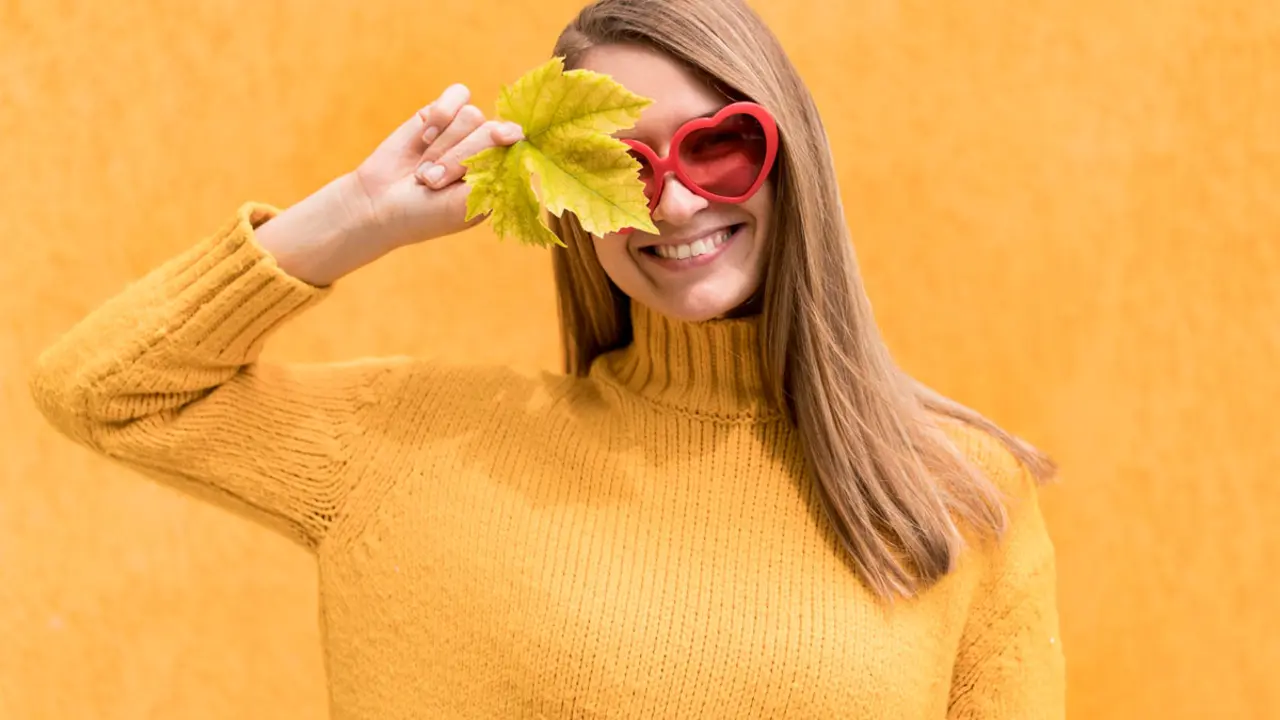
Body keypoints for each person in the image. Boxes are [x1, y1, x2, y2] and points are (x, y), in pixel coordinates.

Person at [29, 0, 1066, 717]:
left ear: (790, 156)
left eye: (720, 144)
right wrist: (359, 215)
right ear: (570, 200)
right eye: (617, 162)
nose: (675, 200)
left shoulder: (959, 491)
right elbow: (107, 388)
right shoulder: (415, 445)